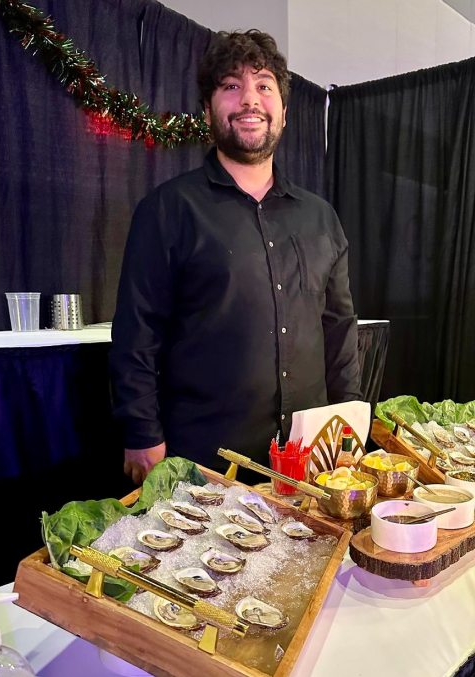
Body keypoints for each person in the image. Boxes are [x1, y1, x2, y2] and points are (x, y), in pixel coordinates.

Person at [110, 30, 362, 483]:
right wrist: (141, 431)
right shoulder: (167, 210)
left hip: (310, 463)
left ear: (284, 112)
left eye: (264, 85)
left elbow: (339, 332)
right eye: (231, 85)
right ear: (208, 109)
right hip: (203, 464)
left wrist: (349, 431)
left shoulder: (322, 219)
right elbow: (137, 332)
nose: (250, 100)